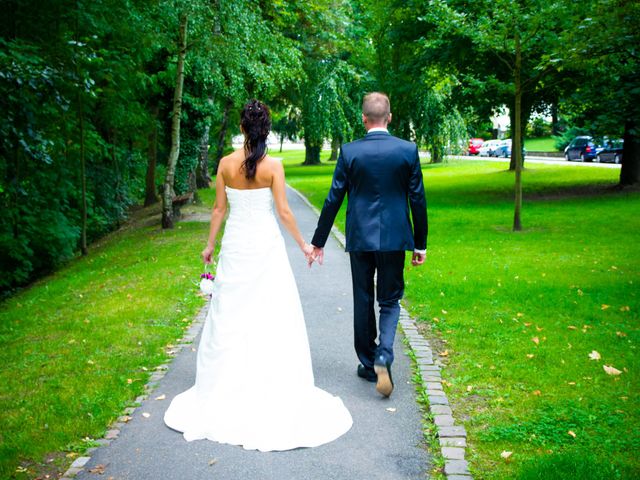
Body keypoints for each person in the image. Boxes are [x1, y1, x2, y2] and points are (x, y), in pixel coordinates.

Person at [164, 99, 352, 451]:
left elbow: (219, 209)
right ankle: (270, 382)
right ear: (265, 129)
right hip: (265, 247)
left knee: (231, 315)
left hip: (236, 246)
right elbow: (283, 211)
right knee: (271, 312)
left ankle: (228, 383)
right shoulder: (273, 166)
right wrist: (304, 246)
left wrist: (209, 245)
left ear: (241, 127)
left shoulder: (225, 164)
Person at [309, 92, 428, 398]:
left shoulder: (349, 152)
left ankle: (367, 361)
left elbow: (334, 197)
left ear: (364, 119)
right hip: (394, 238)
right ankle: (384, 354)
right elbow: (417, 199)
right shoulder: (407, 150)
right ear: (389, 118)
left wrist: (318, 241)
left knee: (363, 297)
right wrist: (420, 243)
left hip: (360, 237)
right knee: (389, 299)